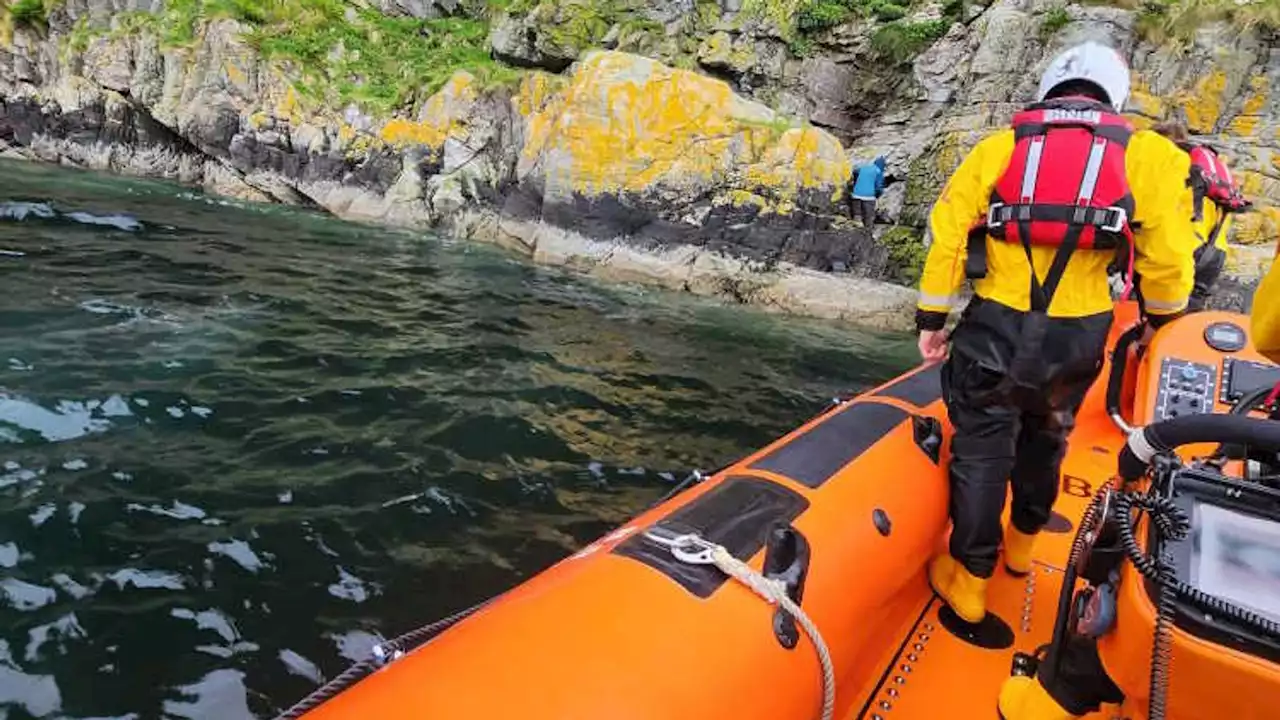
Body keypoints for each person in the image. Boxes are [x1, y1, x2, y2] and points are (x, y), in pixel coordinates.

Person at [914, 42, 1195, 630]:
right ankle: (1021, 548)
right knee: (1048, 436)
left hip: (996, 327)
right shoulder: (1153, 157)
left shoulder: (999, 147)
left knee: (983, 447)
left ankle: (970, 579)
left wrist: (932, 320)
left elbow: (946, 237)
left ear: (1047, 91)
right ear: (1113, 95)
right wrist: (1163, 324)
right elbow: (1169, 260)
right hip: (1079, 336)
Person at [1152, 121, 1247, 312]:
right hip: (1216, 252)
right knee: (1186, 320)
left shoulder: (1174, 160)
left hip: (1185, 248)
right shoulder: (1211, 169)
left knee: (1154, 312)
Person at [848, 155, 886, 227]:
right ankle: (867, 232)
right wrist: (878, 194)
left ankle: (857, 229)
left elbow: (855, 173)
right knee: (869, 217)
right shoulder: (878, 171)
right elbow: (878, 186)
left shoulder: (863, 168)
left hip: (856, 195)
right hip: (868, 197)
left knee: (857, 214)